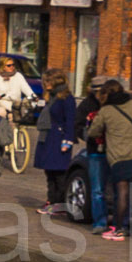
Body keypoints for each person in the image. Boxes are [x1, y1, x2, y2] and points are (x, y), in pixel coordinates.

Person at [82, 81, 132, 240]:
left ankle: (119, 230)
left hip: (120, 157)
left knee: (122, 194)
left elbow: (93, 132)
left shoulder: (106, 111)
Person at [34, 76, 84, 217]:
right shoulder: (51, 97)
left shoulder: (66, 99)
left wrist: (67, 140)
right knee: (49, 171)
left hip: (58, 138)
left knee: (59, 173)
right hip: (48, 137)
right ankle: (51, 200)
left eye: (48, 81)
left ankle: (59, 203)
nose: (45, 84)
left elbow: (70, 120)